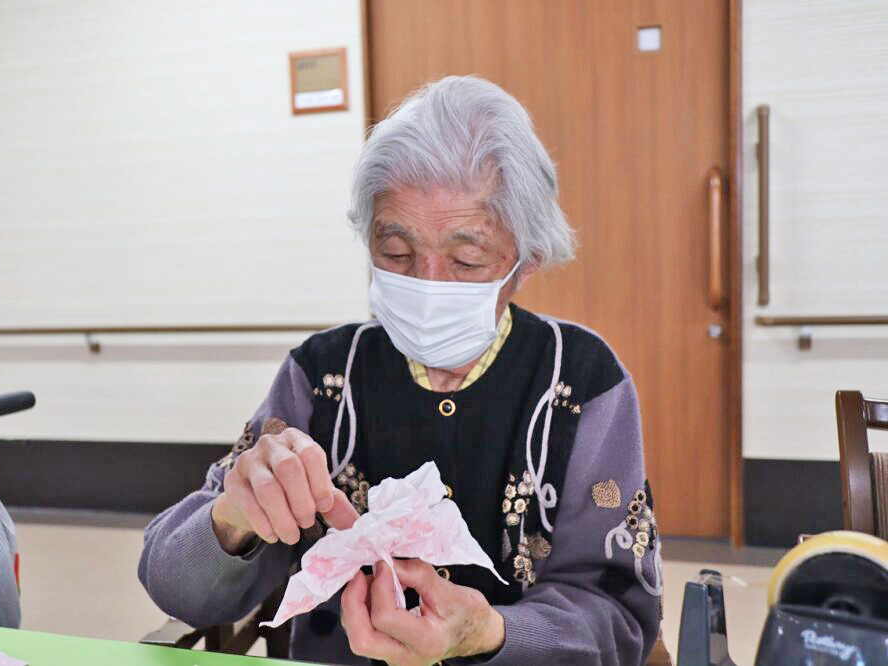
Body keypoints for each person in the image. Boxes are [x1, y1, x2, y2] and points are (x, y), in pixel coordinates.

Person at [139, 75, 661, 665]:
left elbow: (621, 617)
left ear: (525, 261)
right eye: (397, 253)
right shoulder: (323, 377)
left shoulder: (583, 383)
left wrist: (489, 632)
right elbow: (173, 584)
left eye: (466, 259)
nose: (427, 283)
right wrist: (235, 518)